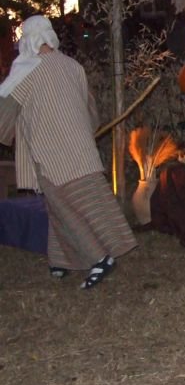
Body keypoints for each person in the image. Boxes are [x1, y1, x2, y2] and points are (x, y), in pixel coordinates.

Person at [0, 15, 137, 289]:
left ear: (27, 40)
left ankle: (99, 257)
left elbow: (4, 116)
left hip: (49, 154)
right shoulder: (73, 67)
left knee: (67, 209)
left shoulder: (26, 71)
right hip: (80, 150)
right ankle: (60, 260)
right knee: (60, 206)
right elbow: (91, 111)